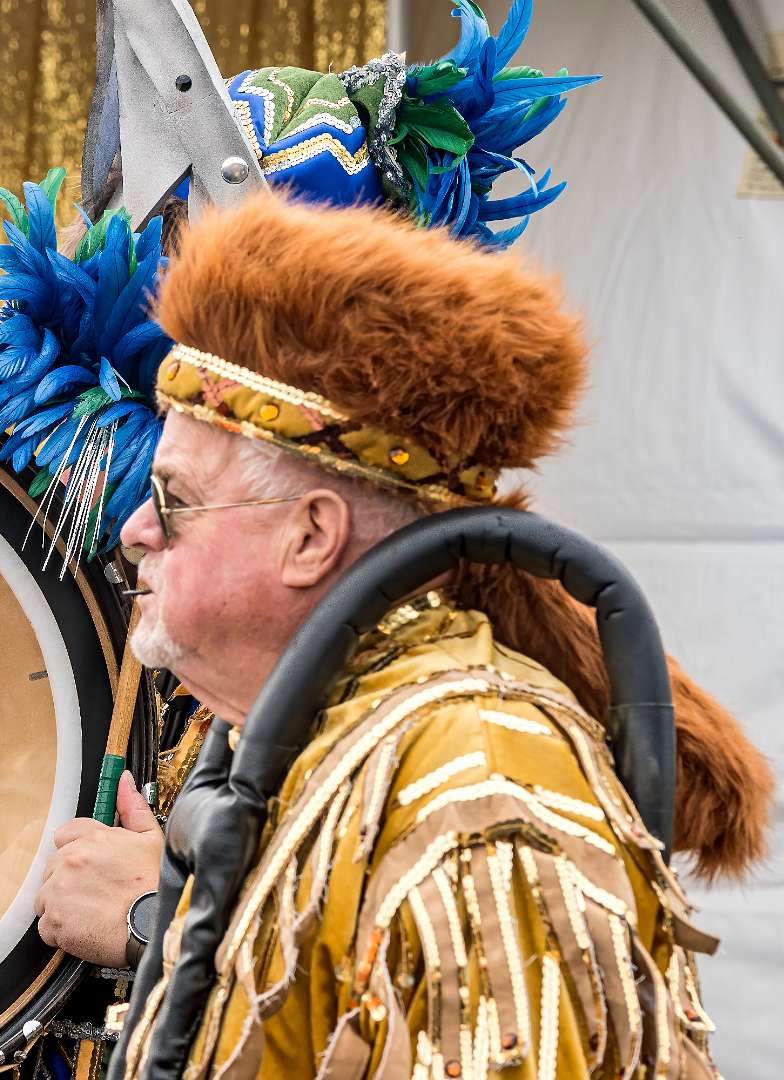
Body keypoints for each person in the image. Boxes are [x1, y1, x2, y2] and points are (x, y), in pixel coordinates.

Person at [109, 190, 772, 1078]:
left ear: (311, 536)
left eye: (174, 499)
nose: (136, 532)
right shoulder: (327, 738)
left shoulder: (480, 792)